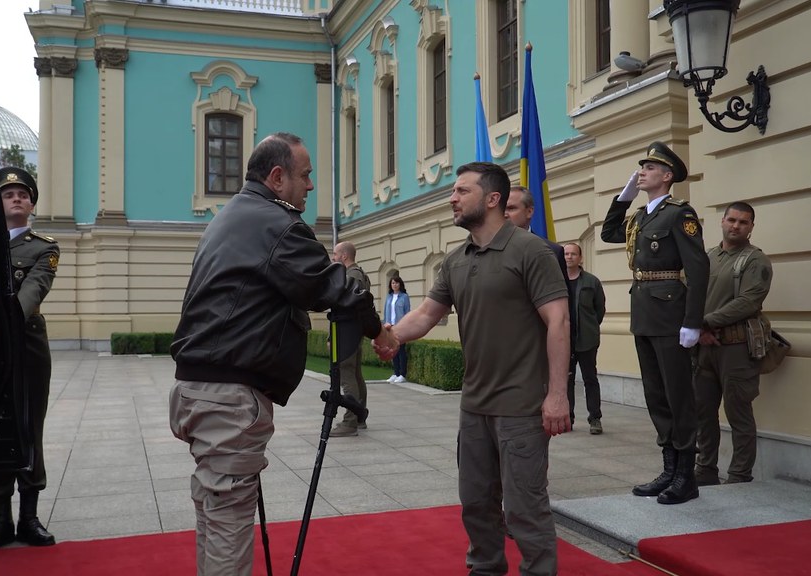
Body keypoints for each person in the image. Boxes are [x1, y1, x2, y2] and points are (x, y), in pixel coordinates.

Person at [169, 132, 395, 576]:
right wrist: (380, 332)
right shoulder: (277, 224)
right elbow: (335, 288)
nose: (311, 185)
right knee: (228, 523)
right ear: (277, 177)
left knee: (214, 515)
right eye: (305, 175)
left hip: (199, 390)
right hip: (227, 397)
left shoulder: (231, 215)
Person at [379, 162, 570, 576]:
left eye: (462, 190)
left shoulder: (531, 251)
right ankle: (485, 569)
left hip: (521, 405)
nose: (452, 197)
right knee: (476, 503)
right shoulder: (456, 260)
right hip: (475, 405)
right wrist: (390, 335)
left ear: (493, 199)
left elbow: (559, 321)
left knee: (524, 508)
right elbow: (428, 314)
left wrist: (557, 394)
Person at [600, 141, 709, 505]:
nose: (641, 172)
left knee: (678, 395)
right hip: (645, 314)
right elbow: (608, 233)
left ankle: (685, 476)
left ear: (666, 176)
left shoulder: (680, 213)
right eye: (641, 167)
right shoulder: (641, 217)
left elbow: (697, 267)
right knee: (656, 395)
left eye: (649, 168)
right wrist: (623, 197)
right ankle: (668, 468)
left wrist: (693, 321)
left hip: (671, 314)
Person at [0, 167, 59, 554]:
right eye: (9, 195)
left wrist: (2, 325)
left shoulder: (44, 247)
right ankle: (1, 520)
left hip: (25, 348)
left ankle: (29, 517)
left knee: (27, 426)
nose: (17, 198)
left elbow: (33, 291)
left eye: (24, 194)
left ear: (32, 203)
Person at [694, 202, 773, 486]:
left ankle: (739, 475)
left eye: (743, 222)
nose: (736, 226)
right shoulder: (708, 257)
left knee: (738, 412)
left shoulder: (755, 261)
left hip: (737, 348)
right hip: (705, 347)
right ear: (722, 221)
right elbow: (691, 293)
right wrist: (698, 328)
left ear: (752, 226)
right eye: (732, 220)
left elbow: (748, 302)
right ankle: (705, 470)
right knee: (703, 412)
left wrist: (705, 322)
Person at [505, 185, 576, 427]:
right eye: (502, 208)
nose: (505, 214)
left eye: (512, 208)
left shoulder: (551, 251)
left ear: (530, 212)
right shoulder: (486, 249)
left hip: (535, 351)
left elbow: (564, 306)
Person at [329, 241, 372, 437]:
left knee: (347, 377)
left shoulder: (351, 276)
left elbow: (343, 307)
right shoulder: (361, 274)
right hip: (354, 332)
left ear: (344, 256)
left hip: (346, 333)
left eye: (336, 254)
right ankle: (360, 417)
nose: (333, 257)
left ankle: (350, 421)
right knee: (355, 375)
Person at [563, 242, 607, 434]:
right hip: (564, 340)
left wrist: (590, 327)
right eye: (566, 254)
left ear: (580, 258)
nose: (569, 257)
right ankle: (567, 419)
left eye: (573, 254)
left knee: (590, 378)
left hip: (587, 339)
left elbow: (600, 310)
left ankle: (595, 419)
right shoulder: (557, 280)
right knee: (566, 380)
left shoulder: (592, 281)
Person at [383, 275, 411, 383]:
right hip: (390, 327)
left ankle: (402, 374)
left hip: (400, 326)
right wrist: (385, 324)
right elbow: (386, 312)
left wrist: (406, 326)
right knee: (393, 351)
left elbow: (407, 312)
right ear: (391, 285)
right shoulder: (389, 297)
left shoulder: (404, 297)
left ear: (400, 284)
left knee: (401, 350)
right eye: (393, 283)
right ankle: (396, 373)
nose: (395, 285)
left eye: (397, 283)